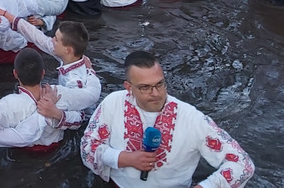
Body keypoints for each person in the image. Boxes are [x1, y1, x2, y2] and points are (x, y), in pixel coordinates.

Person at [81, 51, 254, 188]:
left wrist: (206, 186)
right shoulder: (113, 103)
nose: (155, 93)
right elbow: (88, 146)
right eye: (145, 88)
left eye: (159, 84)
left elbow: (242, 164)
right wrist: (124, 158)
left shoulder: (192, 120)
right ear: (129, 87)